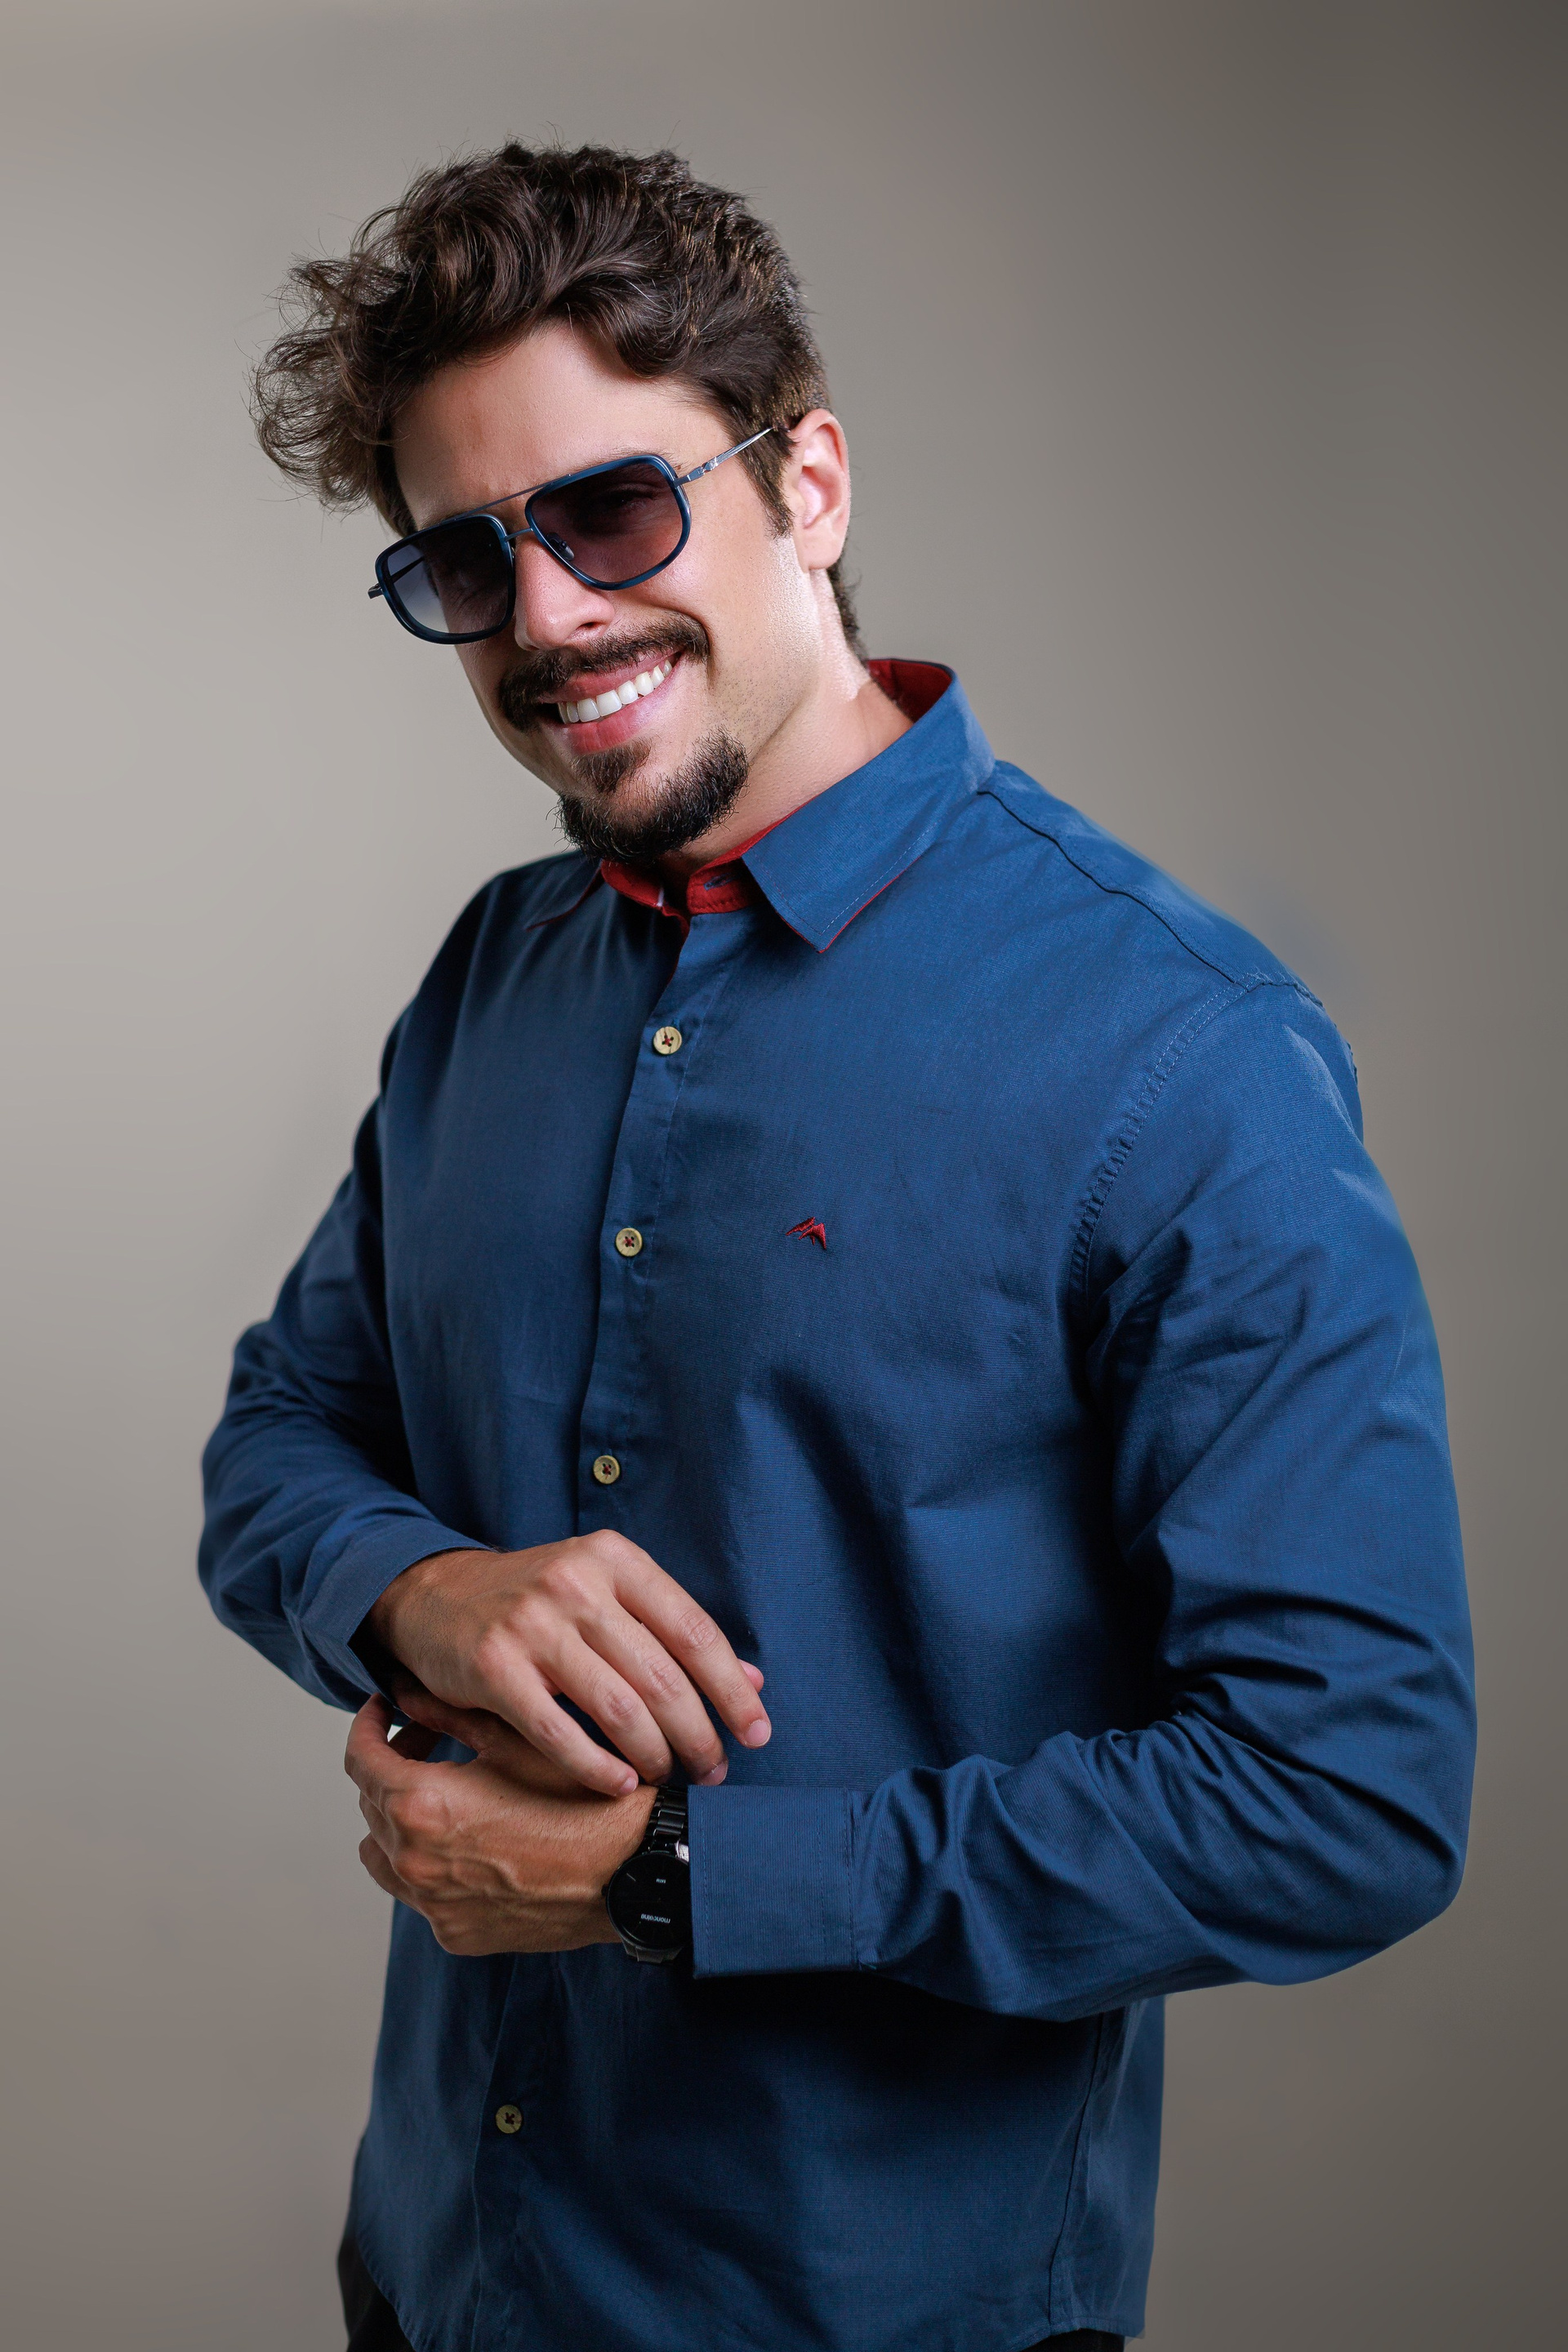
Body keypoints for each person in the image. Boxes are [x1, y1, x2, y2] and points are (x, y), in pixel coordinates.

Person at [201, 144, 1476, 2352]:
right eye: (470, 561)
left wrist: (676, 1881)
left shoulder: (1183, 1053)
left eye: (615, 513)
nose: (550, 621)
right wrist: (423, 1590)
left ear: (809, 482)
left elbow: (1342, 1795)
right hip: (438, 2279)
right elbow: (281, 1435)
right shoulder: (495, 974)